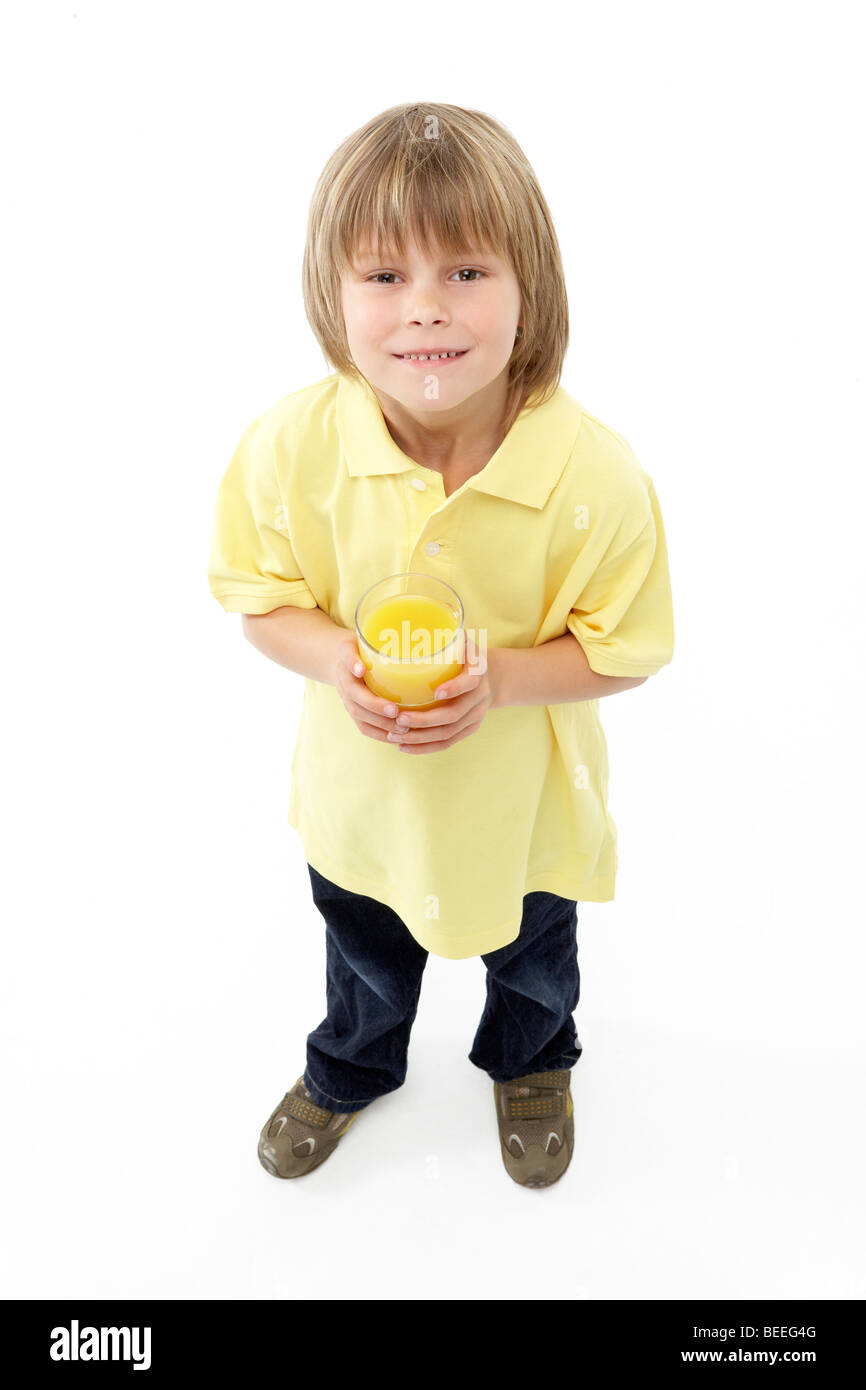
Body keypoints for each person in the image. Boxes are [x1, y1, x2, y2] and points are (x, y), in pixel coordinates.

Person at [207, 102, 675, 1189]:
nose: (424, 310)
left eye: (465, 272)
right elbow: (258, 599)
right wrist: (333, 660)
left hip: (525, 814)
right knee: (362, 961)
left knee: (534, 965)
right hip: (360, 800)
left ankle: (531, 1064)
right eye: (382, 277)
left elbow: (628, 648)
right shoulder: (291, 448)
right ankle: (351, 1067)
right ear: (332, 292)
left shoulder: (591, 474)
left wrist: (504, 676)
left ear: (531, 288)